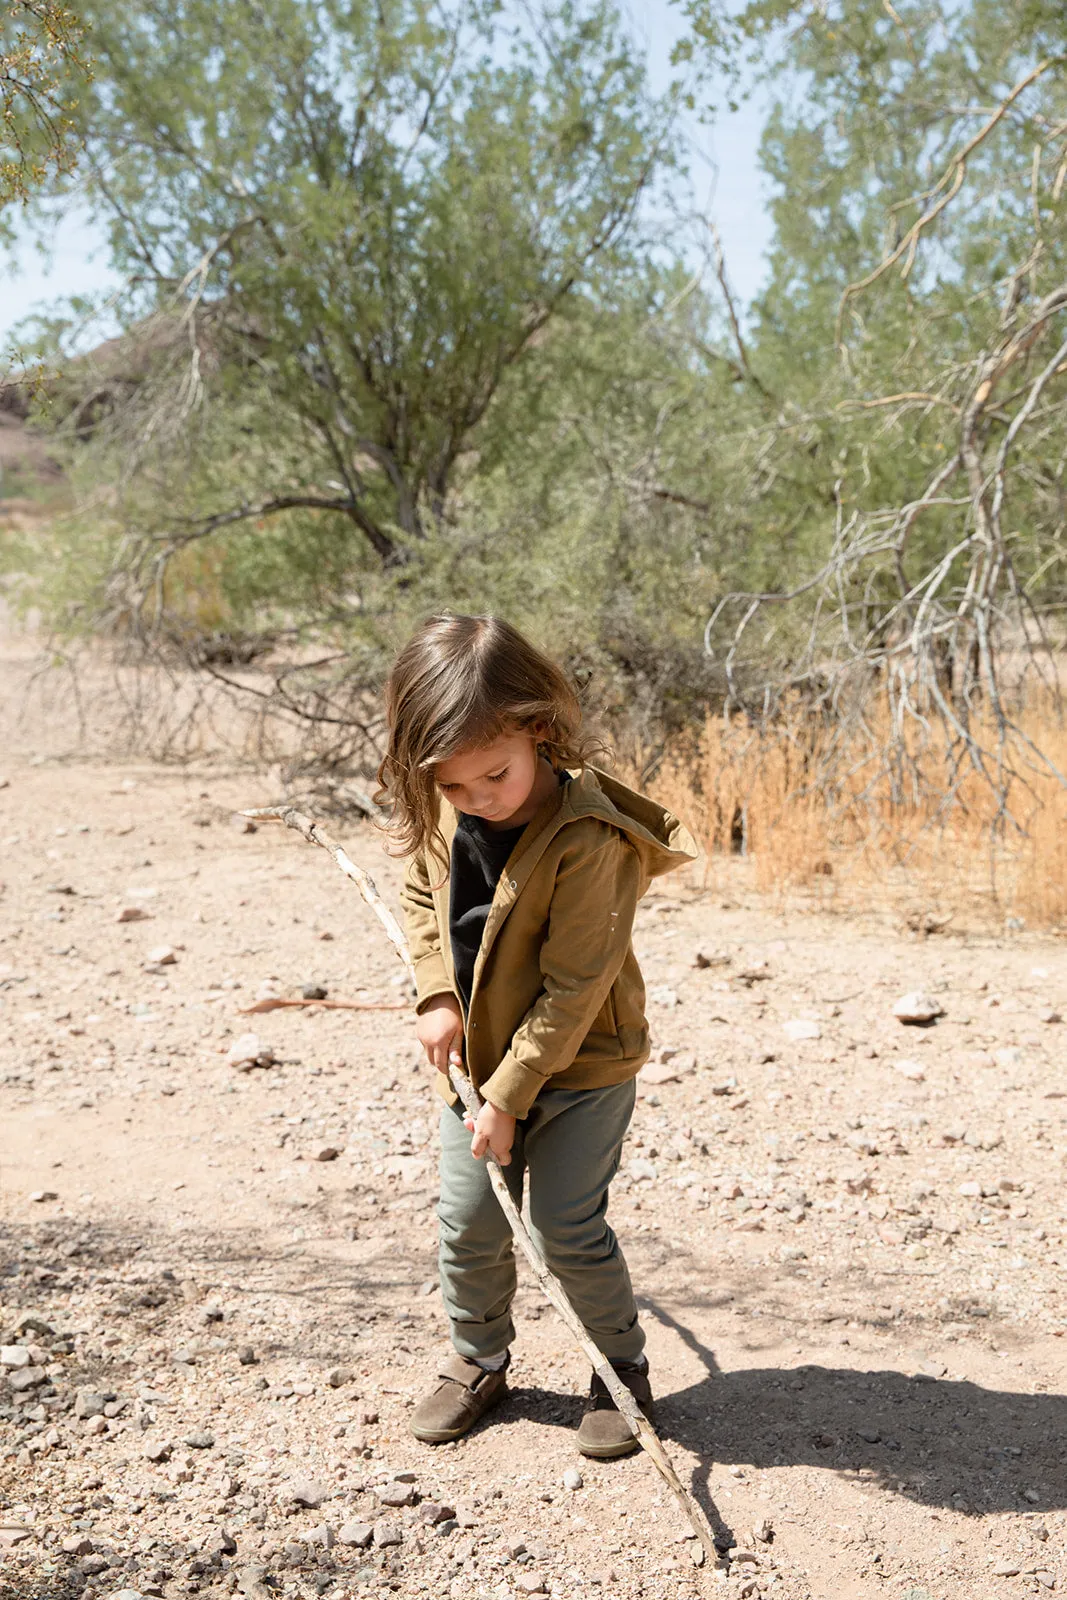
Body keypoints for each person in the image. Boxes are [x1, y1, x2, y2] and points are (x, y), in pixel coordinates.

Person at [377, 613, 697, 1457]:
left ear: (539, 733)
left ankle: (616, 1367)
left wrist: (510, 1098)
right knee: (468, 1219)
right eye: (453, 787)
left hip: (581, 1063)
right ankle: (478, 1358)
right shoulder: (448, 810)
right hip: (479, 1063)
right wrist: (435, 996)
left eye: (495, 775)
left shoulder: (592, 840)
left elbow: (572, 990)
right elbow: (419, 893)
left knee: (564, 1225)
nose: (478, 799)